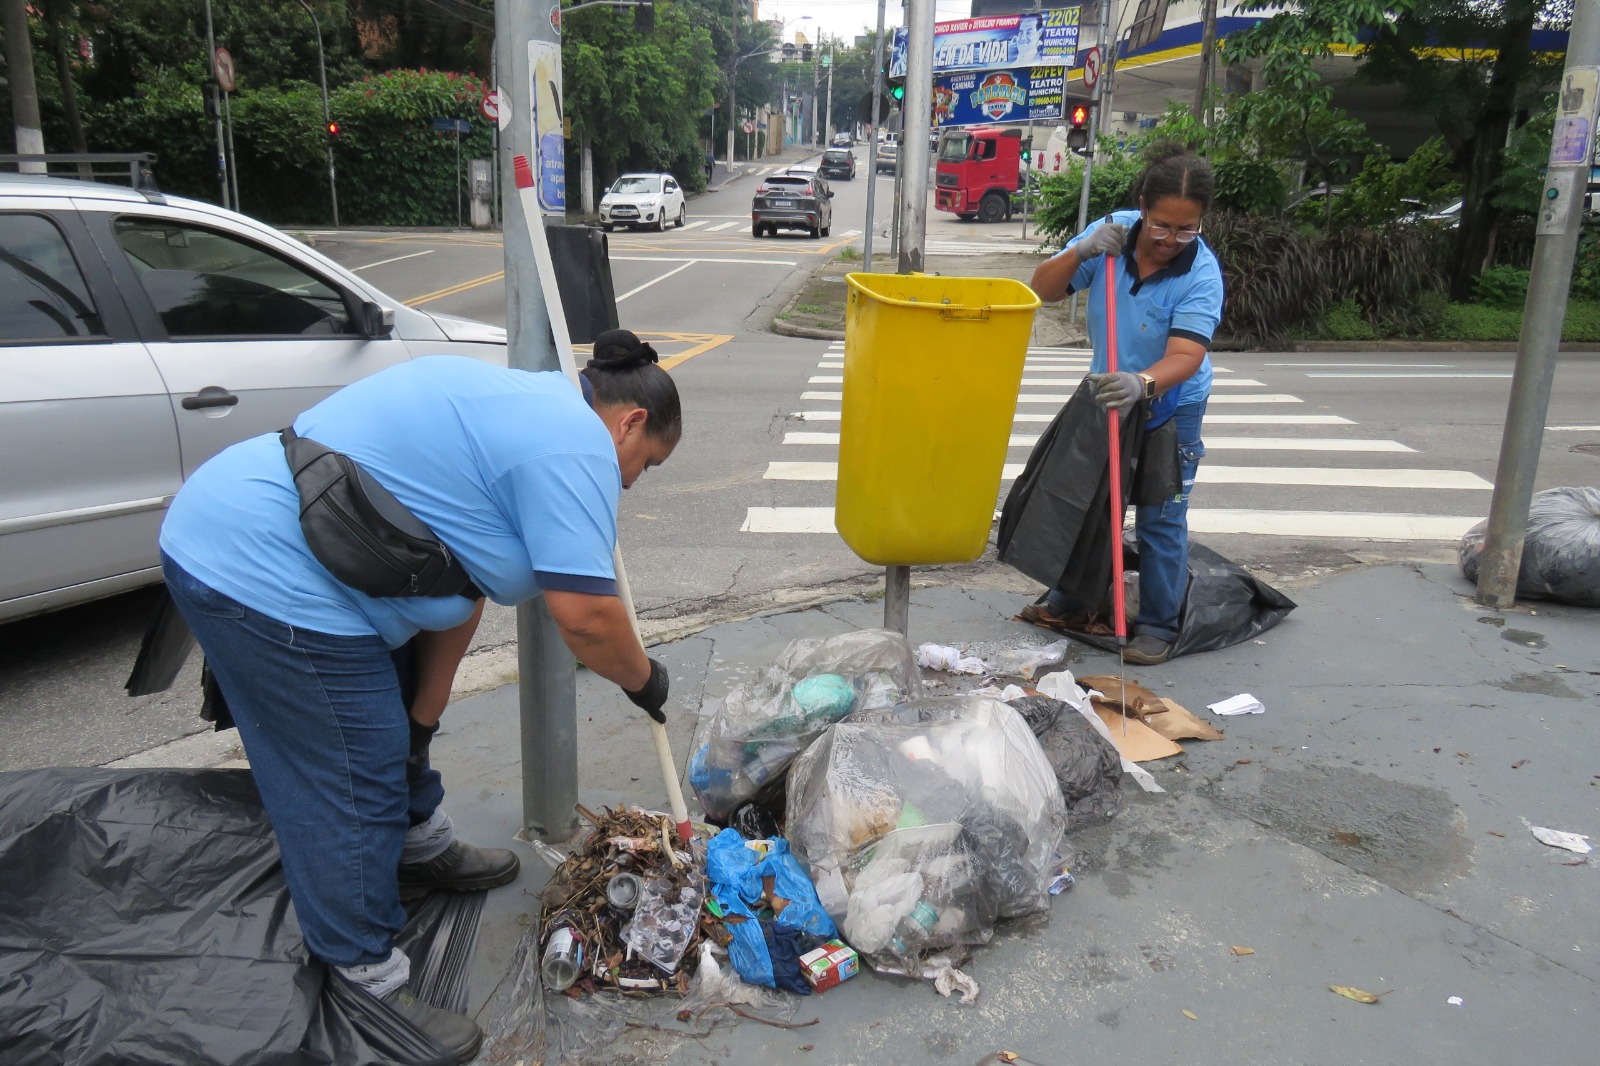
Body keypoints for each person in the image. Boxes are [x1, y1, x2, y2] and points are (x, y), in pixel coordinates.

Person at [158, 331, 680, 1063]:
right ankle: (364, 983)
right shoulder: (574, 445)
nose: (631, 483)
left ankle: (416, 848)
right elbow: (588, 618)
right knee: (351, 773)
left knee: (391, 732)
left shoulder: (529, 412)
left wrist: (422, 721)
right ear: (630, 422)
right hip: (261, 566)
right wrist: (644, 679)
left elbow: (460, 588)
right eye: (646, 463)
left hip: (306, 548)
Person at [1024, 143, 1224, 665]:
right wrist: (1081, 252)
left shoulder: (1201, 274)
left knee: (1160, 515)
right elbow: (1043, 289)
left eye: (1186, 230)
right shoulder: (1111, 236)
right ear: (1142, 207)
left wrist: (1142, 383)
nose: (1170, 241)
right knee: (1092, 501)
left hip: (1169, 403)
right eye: (1161, 226)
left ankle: (1158, 624)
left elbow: (1185, 354)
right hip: (1106, 394)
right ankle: (1072, 598)